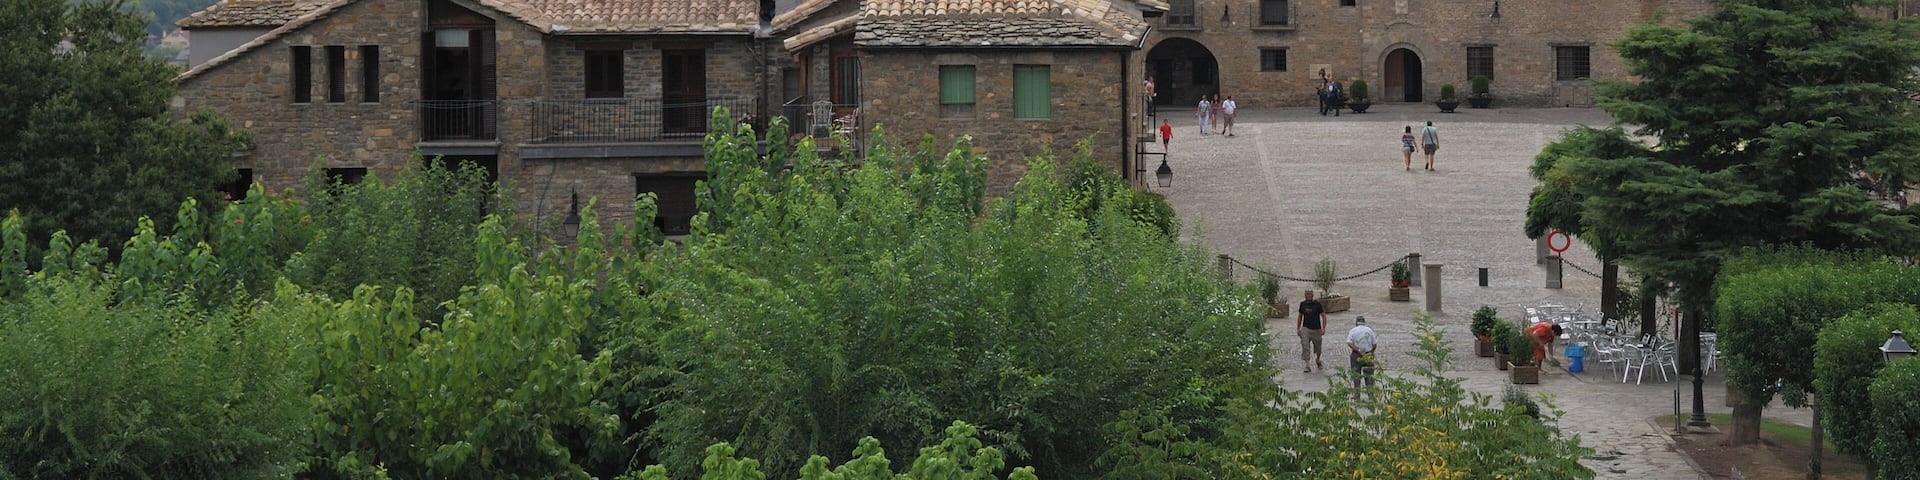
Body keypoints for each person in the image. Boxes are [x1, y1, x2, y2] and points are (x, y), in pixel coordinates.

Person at [1297, 290, 1327, 372]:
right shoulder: (1302, 304)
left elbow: (1323, 316)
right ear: (1305, 295)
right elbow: (1300, 317)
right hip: (1306, 328)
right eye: (1307, 294)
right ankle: (1307, 365)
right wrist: (1298, 328)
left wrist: (1323, 328)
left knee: (1318, 348)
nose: (1309, 296)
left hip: (1316, 329)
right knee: (1305, 345)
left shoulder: (1317, 304)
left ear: (1312, 295)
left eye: (1310, 294)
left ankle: (1318, 359)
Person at [1347, 315, 1378, 388]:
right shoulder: (1369, 330)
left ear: (1356, 322)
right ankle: (1370, 394)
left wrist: (1358, 350)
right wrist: (1372, 352)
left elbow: (1349, 342)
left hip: (1356, 355)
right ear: (1364, 322)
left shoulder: (1353, 330)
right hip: (1368, 354)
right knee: (1369, 376)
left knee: (1356, 376)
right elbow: (1374, 344)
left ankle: (1357, 395)